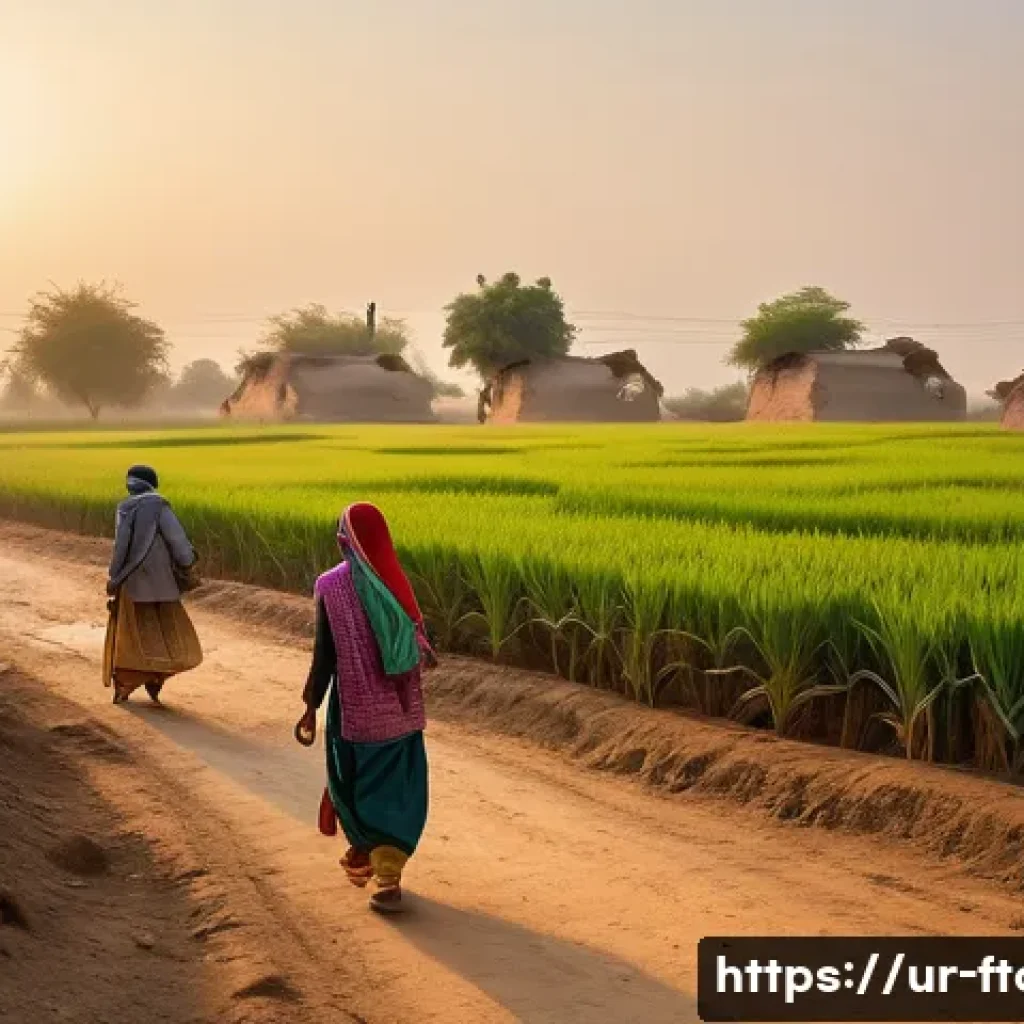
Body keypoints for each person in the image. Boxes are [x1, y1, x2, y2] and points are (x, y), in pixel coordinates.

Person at [295, 502, 435, 915]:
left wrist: (310, 705)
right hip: (403, 712)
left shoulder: (329, 586)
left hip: (355, 713)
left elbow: (325, 655)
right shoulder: (396, 580)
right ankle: (387, 873)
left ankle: (366, 855)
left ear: (343, 539)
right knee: (399, 790)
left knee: (352, 784)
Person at [103, 464, 203, 704]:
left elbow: (120, 548)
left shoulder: (125, 508)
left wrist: (114, 576)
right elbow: (177, 540)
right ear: (153, 483)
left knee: (132, 635)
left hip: (132, 581)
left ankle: (126, 683)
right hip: (163, 583)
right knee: (166, 632)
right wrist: (188, 562)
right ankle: (156, 678)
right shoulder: (160, 505)